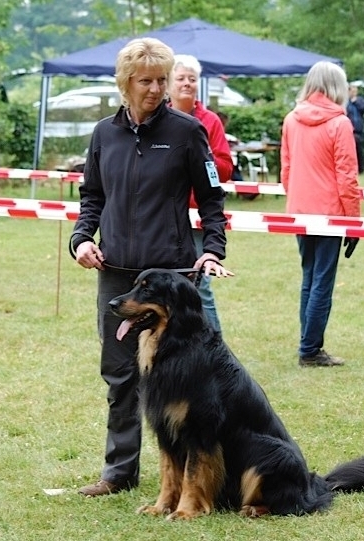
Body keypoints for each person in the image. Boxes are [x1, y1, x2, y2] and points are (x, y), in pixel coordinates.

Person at [69, 37, 231, 497]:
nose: (156, 89)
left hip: (172, 277)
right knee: (120, 375)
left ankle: (200, 473)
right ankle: (118, 474)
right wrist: (81, 239)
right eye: (146, 81)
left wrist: (211, 249)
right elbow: (92, 198)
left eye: (162, 79)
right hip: (117, 271)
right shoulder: (104, 134)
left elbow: (214, 200)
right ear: (125, 83)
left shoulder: (186, 132)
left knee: (189, 377)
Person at [281, 61, 361, 368]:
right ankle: (310, 350)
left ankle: (308, 343)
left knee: (309, 277)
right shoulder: (340, 124)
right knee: (322, 282)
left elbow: (286, 170)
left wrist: (298, 199)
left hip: (300, 212)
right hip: (329, 214)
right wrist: (353, 223)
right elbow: (347, 177)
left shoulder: (291, 119)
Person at [168, 54, 233, 332]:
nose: (186, 84)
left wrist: (199, 159)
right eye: (180, 78)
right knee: (169, 286)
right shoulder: (159, 119)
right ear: (168, 84)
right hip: (166, 217)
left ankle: (215, 348)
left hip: (198, 218)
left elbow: (225, 169)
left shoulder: (211, 121)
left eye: (192, 79)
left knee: (200, 285)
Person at [346, 84, 364, 174]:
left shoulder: (360, 101)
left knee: (359, 150)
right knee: (350, 151)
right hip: (350, 129)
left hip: (359, 129)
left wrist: (356, 102)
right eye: (352, 91)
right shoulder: (346, 102)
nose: (353, 93)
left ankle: (361, 169)